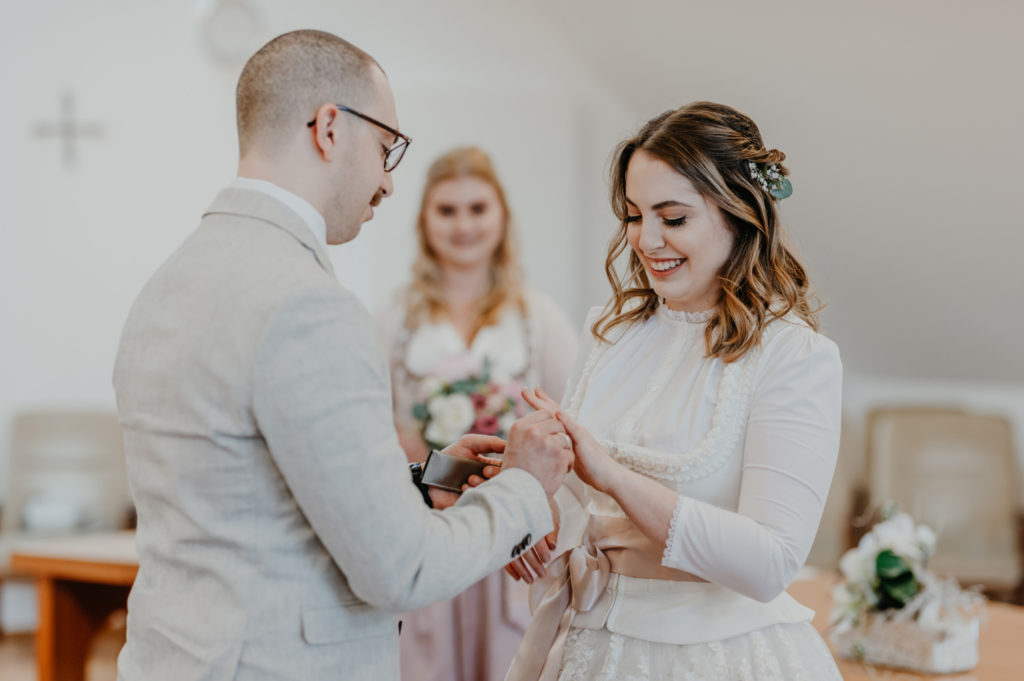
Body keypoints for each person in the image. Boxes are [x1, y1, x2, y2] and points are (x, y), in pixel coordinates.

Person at [111, 29, 572, 681]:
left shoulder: (170, 280)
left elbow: (257, 483)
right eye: (387, 148)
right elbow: (401, 568)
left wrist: (433, 475)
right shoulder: (309, 305)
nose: (387, 181)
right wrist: (525, 484)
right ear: (330, 128)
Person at [503, 102, 845, 680]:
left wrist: (610, 473)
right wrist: (525, 497)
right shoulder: (606, 332)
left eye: (674, 218)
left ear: (738, 214)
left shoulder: (795, 356)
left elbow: (771, 564)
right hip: (589, 647)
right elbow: (578, 507)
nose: (646, 239)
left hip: (718, 656)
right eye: (634, 216)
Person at [375, 146, 578, 681]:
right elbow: (376, 424)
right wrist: (436, 470)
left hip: (514, 532)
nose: (462, 225)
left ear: (502, 215)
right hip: (429, 524)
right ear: (425, 220)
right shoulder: (393, 316)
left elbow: (569, 423)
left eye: (477, 208)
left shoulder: (539, 317)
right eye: (447, 210)